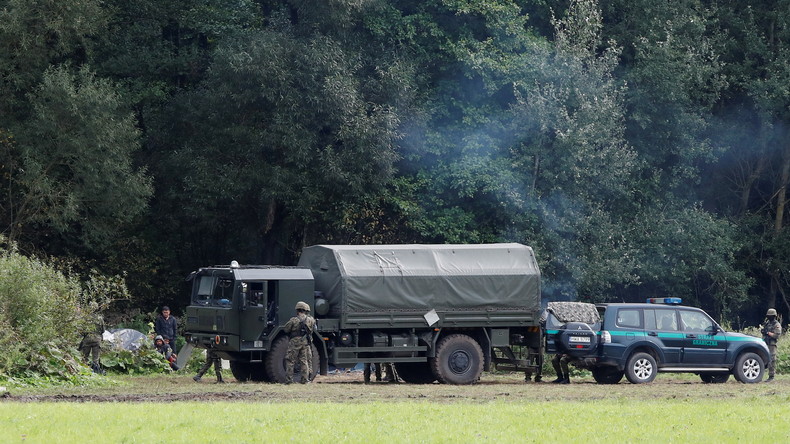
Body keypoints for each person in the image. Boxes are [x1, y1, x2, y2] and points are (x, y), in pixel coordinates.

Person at [283, 301, 315, 384]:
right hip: (305, 342)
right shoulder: (310, 320)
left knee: (290, 360)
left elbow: (286, 329)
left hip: (295, 342)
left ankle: (289, 380)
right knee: (304, 361)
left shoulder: (294, 320)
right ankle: (305, 380)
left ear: (297, 310)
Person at [762, 308, 782, 382]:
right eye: (768, 316)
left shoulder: (776, 324)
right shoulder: (767, 323)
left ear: (774, 316)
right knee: (765, 359)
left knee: (772, 360)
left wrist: (768, 333)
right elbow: (765, 333)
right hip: (765, 343)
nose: (768, 317)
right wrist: (764, 332)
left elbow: (777, 335)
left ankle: (771, 376)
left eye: (770, 316)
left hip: (772, 345)